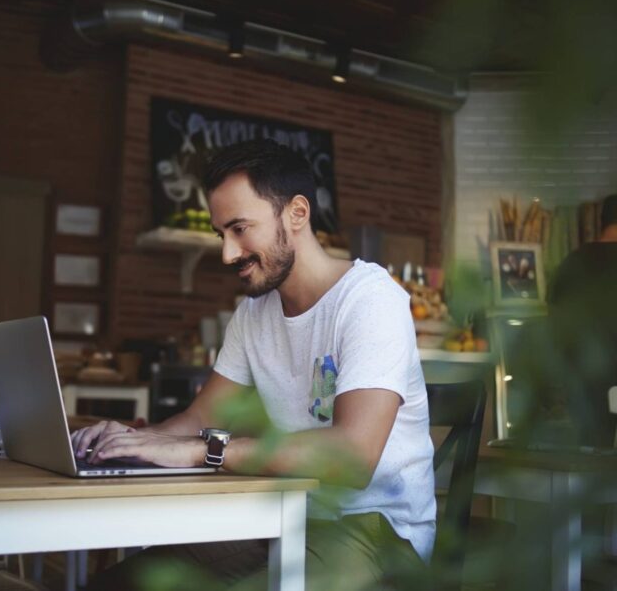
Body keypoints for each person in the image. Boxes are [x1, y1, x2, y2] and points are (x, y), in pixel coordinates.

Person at [72, 140, 436, 590]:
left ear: (297, 214)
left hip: (376, 532)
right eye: (221, 233)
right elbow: (201, 417)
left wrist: (203, 450)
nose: (228, 253)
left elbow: (352, 457)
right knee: (126, 584)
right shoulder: (254, 313)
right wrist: (129, 440)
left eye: (241, 228)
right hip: (286, 514)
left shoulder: (370, 300)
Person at [544, 193, 617, 447]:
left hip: (582, 388)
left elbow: (552, 321)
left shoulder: (572, 262)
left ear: (602, 222)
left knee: (590, 458)